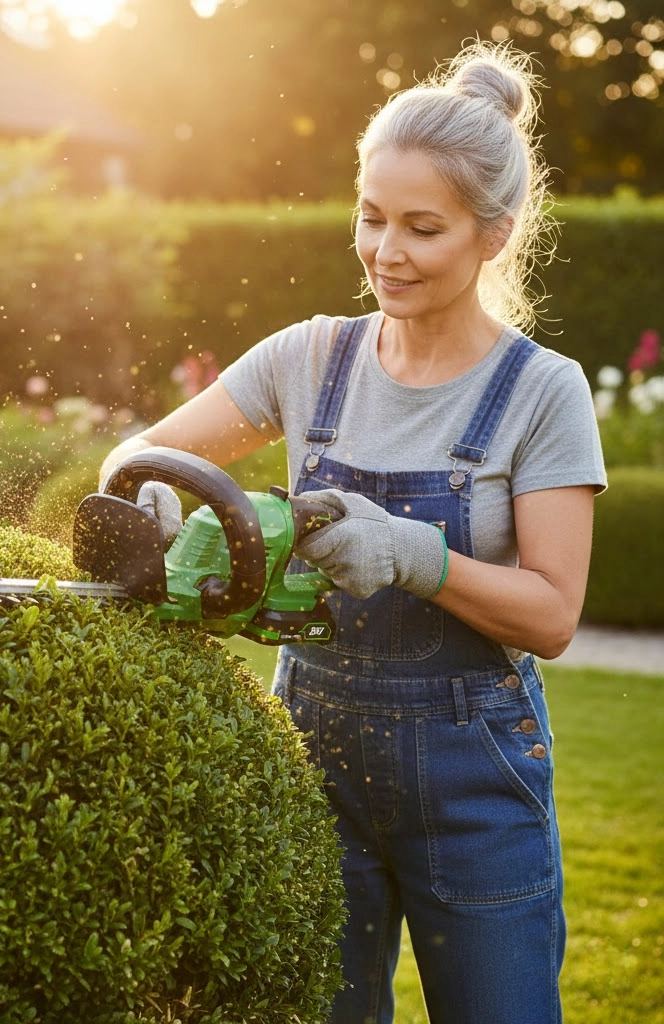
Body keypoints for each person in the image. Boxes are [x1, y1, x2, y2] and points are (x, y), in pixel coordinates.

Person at [99, 41, 607, 1024]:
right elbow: (139, 451)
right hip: (313, 757)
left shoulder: (541, 391)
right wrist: (144, 493)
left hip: (474, 774)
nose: (386, 251)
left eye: (422, 227)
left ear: (494, 234)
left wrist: (415, 555)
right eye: (371, 217)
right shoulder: (310, 358)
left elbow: (551, 616)